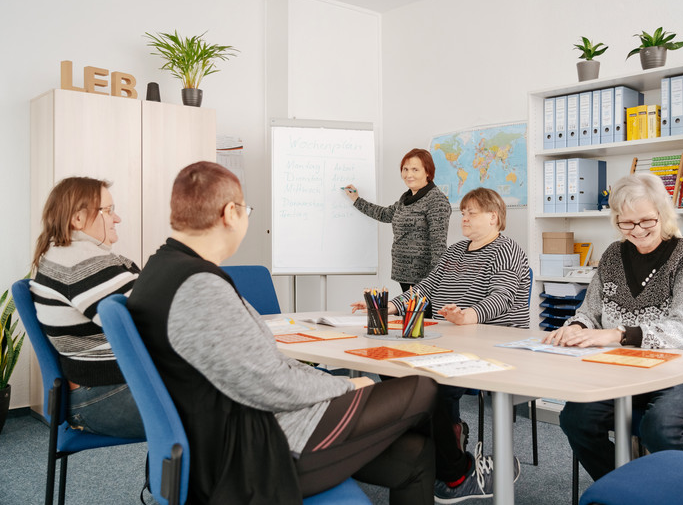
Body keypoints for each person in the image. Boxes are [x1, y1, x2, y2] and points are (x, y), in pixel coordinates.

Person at [127, 161, 437, 504]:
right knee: (424, 384)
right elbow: (270, 383)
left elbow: (255, 368)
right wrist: (347, 386)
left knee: (415, 456)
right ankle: (460, 471)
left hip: (233, 433)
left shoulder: (160, 269)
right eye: (246, 210)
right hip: (255, 452)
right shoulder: (198, 286)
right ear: (231, 213)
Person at [543, 173, 683, 481]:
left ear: (663, 213)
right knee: (576, 419)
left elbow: (682, 328)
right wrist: (577, 326)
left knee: (659, 427)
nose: (638, 231)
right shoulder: (612, 256)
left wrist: (619, 334)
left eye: (646, 221)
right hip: (627, 371)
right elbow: (590, 311)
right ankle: (626, 486)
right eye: (626, 223)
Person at [353, 187, 530, 503]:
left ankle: (451, 467)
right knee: (398, 373)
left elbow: (503, 298)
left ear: (494, 216)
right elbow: (424, 289)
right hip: (451, 341)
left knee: (427, 385)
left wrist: (469, 316)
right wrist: (387, 307)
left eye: (471, 212)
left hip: (494, 345)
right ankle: (447, 456)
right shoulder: (454, 252)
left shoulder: (507, 250)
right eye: (462, 212)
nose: (463, 218)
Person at [29, 177, 144, 439]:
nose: (117, 219)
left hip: (104, 388)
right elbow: (147, 321)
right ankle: (169, 479)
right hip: (102, 396)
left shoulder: (69, 254)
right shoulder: (80, 263)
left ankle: (169, 478)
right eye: (108, 211)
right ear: (77, 219)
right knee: (223, 408)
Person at [345, 148, 451, 315]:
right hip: (404, 273)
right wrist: (357, 200)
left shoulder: (436, 200)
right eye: (405, 169)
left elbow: (439, 246)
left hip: (423, 278)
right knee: (411, 322)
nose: (409, 174)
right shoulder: (406, 198)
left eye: (415, 169)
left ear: (428, 172)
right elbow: (385, 214)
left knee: (422, 324)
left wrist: (434, 281)